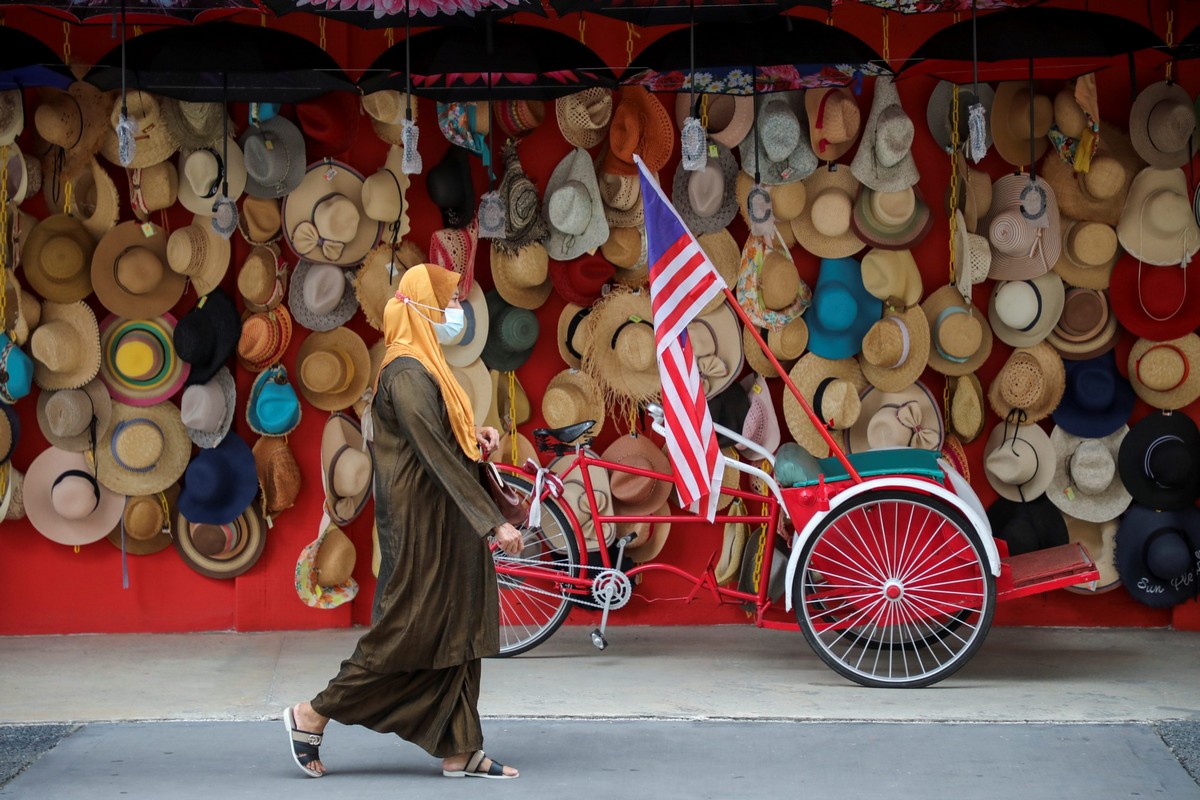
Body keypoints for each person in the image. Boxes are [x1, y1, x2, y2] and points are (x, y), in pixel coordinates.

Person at [284, 263, 524, 780]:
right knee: (404, 631)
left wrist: (477, 433)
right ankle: (314, 712)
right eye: (447, 304)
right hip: (423, 524)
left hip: (444, 519)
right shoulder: (407, 371)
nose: (455, 313)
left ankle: (462, 748)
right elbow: (434, 454)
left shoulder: (426, 364)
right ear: (421, 309)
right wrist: (492, 522)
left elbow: (445, 439)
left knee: (460, 623)